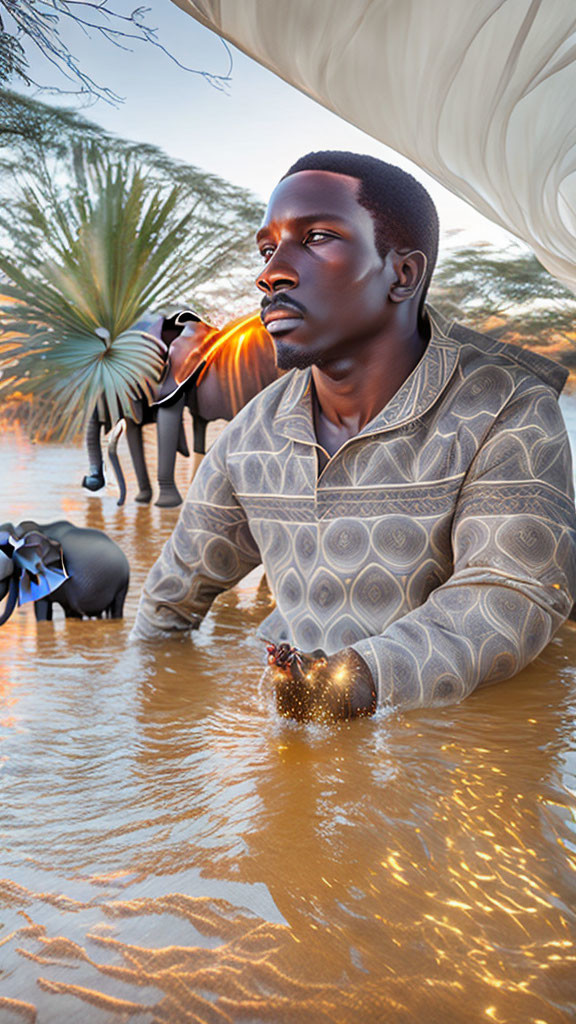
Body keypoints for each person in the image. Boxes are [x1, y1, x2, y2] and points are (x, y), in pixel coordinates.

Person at [131, 151, 576, 721]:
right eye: (268, 250)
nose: (270, 274)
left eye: (315, 237)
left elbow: (512, 595)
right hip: (285, 743)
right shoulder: (251, 436)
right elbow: (169, 602)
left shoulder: (504, 407)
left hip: (451, 766)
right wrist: (150, 750)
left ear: (402, 274)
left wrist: (358, 681)